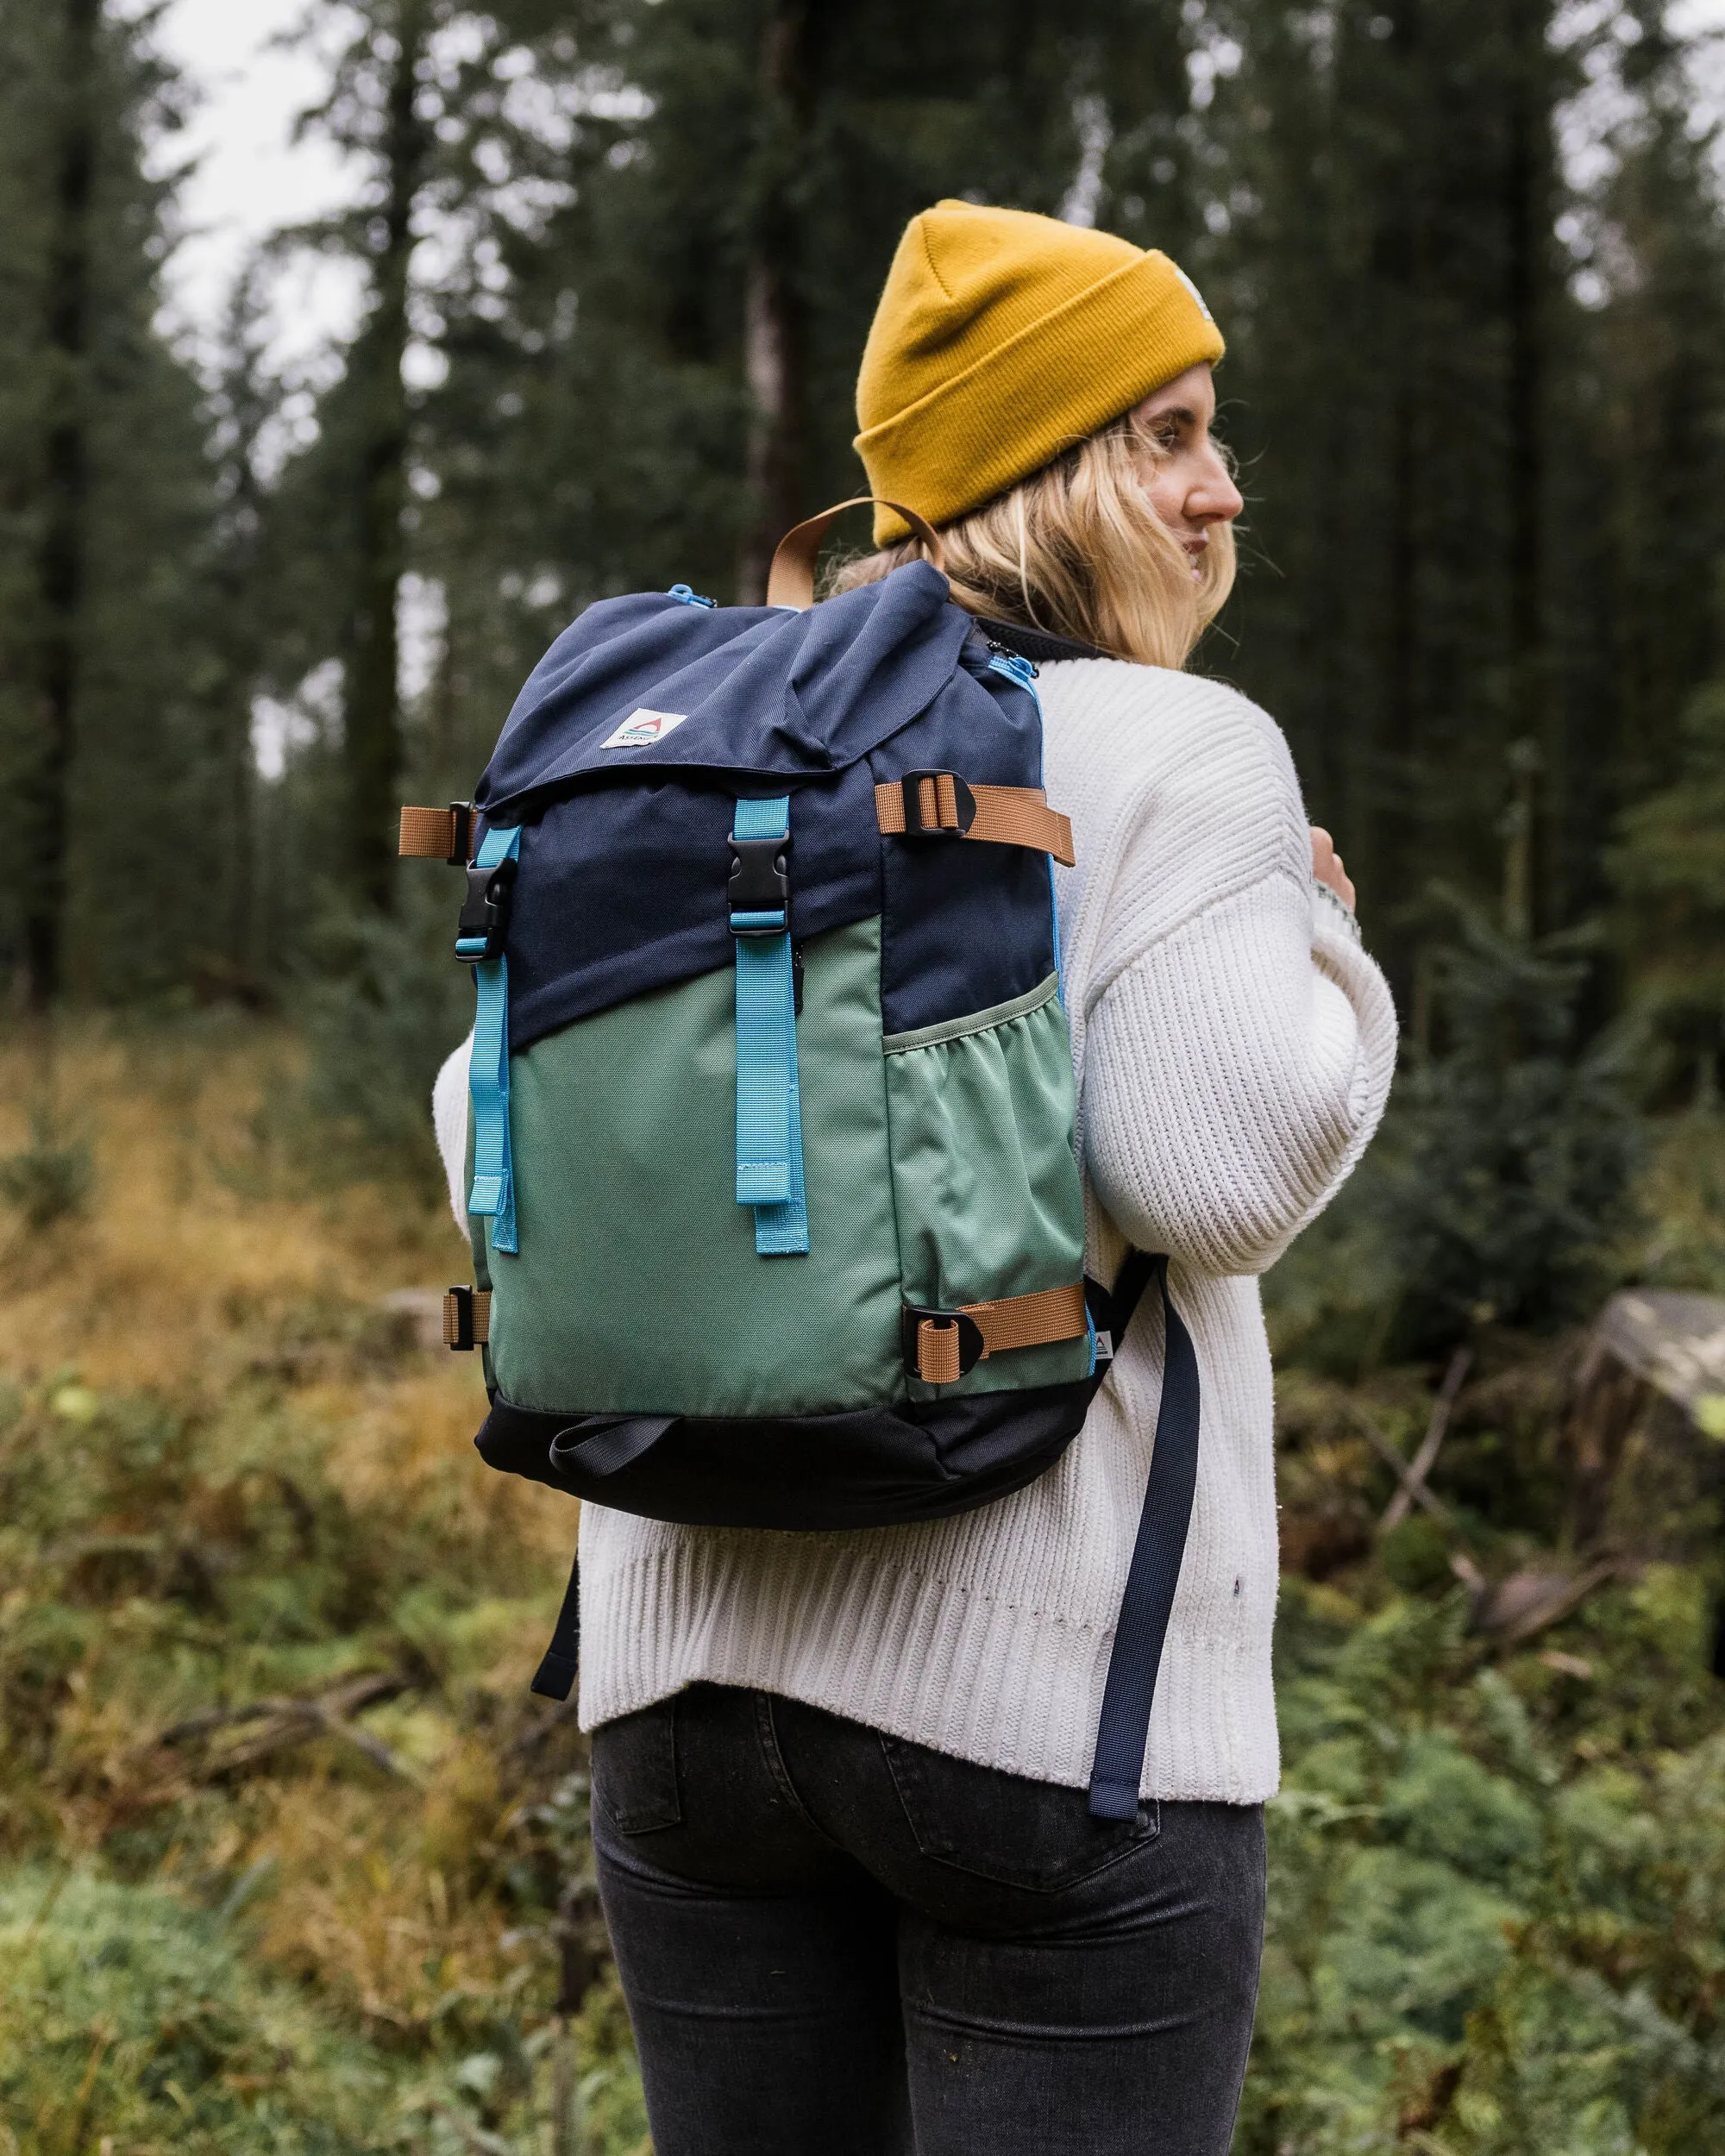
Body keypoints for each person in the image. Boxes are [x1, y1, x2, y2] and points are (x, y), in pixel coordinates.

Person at [434, 199, 1397, 2156]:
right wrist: (1337, 960)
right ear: (1043, 461)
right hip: (1050, 1731)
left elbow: (478, 1127)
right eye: (1168, 433)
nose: (1222, 492)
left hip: (678, 1694)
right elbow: (1214, 1171)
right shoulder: (1176, 745)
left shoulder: (702, 747)